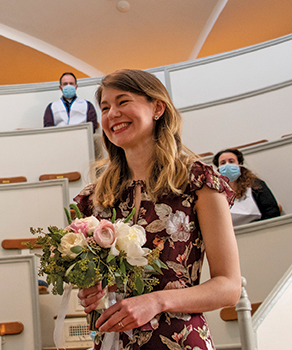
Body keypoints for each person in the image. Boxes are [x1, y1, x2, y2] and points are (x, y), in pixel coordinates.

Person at [74, 69, 241, 349]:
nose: (112, 113)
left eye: (123, 102)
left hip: (180, 340)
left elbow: (229, 287)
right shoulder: (94, 198)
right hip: (114, 341)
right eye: (105, 107)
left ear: (158, 107)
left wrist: (156, 300)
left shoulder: (199, 182)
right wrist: (93, 292)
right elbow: (103, 285)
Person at [213, 148, 280, 225]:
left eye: (231, 161)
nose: (227, 165)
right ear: (218, 168)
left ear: (240, 164)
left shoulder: (256, 185)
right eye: (223, 163)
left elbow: (272, 212)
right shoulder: (214, 191)